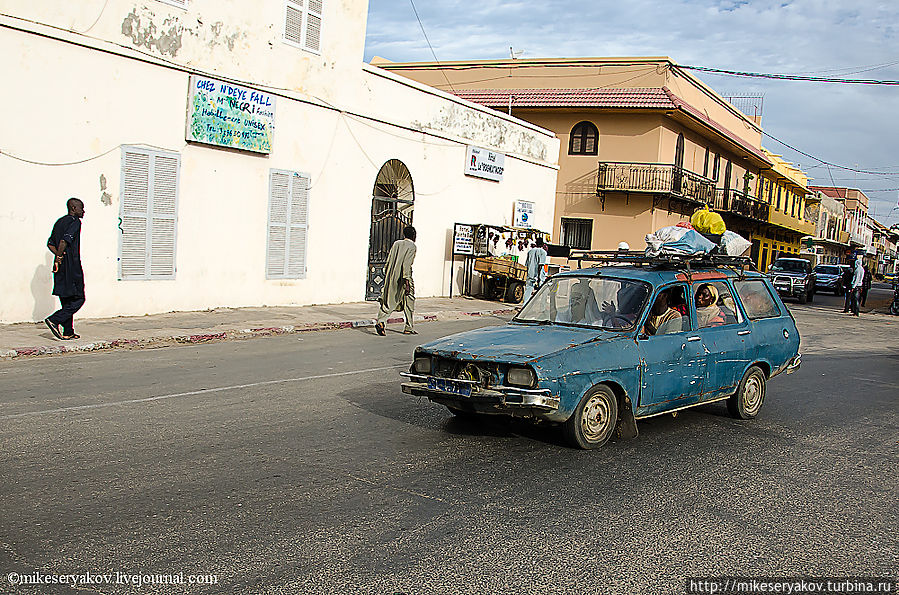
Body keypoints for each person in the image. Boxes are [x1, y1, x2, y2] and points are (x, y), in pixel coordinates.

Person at [45, 197, 86, 340]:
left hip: (60, 266)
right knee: (79, 298)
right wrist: (60, 256)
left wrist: (57, 257)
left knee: (67, 298)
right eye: (81, 208)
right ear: (73, 208)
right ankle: (55, 319)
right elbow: (64, 240)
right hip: (71, 265)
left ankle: (68, 331)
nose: (84, 211)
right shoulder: (75, 222)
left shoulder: (59, 222)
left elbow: (50, 243)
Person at [375, 226, 417, 335]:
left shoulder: (396, 243)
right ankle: (409, 327)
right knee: (409, 301)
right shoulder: (412, 246)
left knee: (389, 301)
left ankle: (381, 321)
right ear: (413, 235)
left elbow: (389, 261)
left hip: (392, 276)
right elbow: (406, 264)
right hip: (403, 278)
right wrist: (407, 282)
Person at [523, 237, 547, 303]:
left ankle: (525, 305)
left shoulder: (530, 251)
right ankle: (542, 307)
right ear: (542, 244)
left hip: (530, 274)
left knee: (528, 291)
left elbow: (527, 264)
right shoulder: (543, 252)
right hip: (538, 275)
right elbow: (540, 265)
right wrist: (539, 277)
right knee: (542, 292)